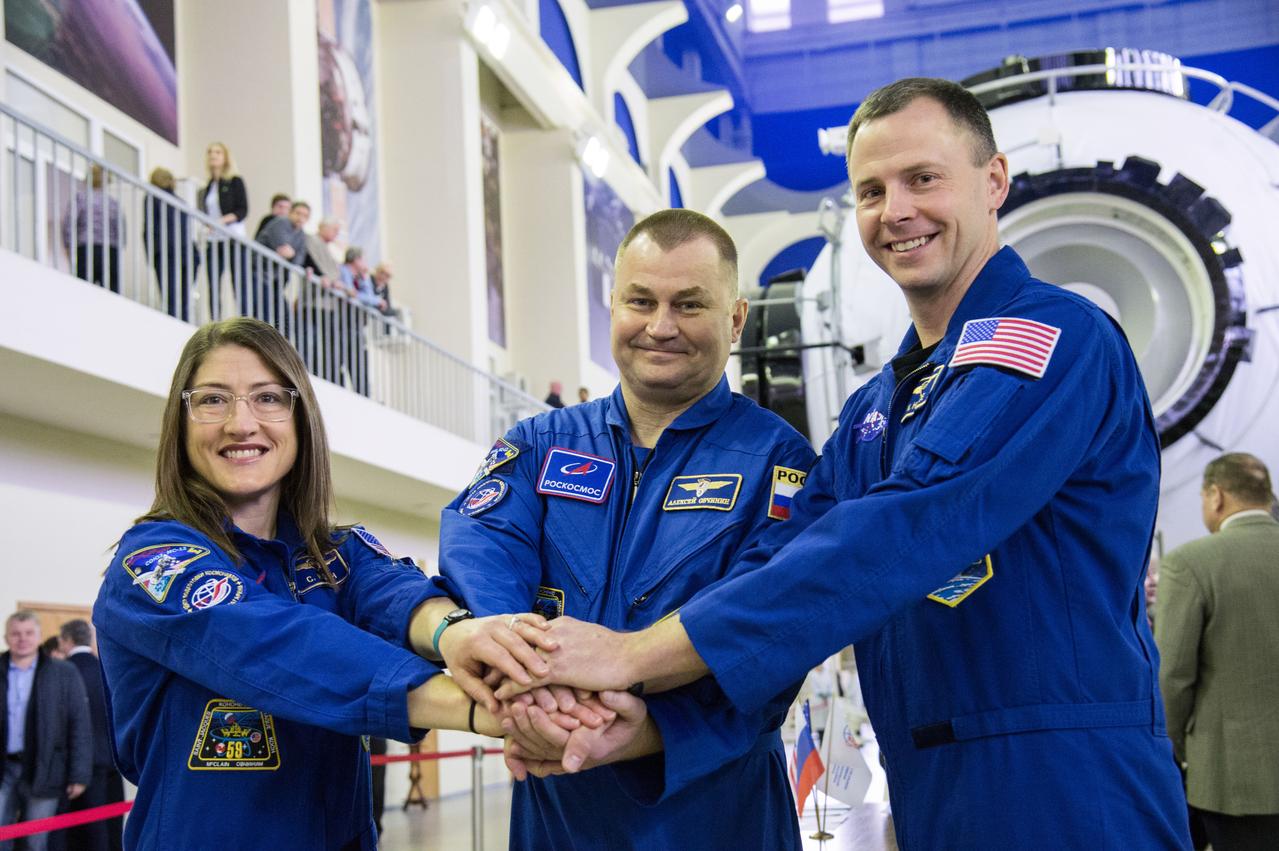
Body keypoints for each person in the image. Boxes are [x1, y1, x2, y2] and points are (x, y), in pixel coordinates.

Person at [497, 78, 1192, 849]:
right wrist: (647, 721)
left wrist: (631, 654)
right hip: (930, 785)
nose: (896, 210)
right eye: (870, 190)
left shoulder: (1050, 339)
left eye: (922, 178)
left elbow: (904, 526)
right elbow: (781, 561)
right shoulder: (875, 410)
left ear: (993, 181)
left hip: (1066, 785)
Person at [419, 209, 817, 849]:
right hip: (557, 810)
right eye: (641, 301)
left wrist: (645, 731)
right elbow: (482, 547)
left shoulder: (780, 463)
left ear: (736, 319)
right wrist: (520, 668)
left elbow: (771, 636)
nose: (660, 326)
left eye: (690, 304)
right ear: (613, 306)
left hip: (716, 813)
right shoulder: (540, 444)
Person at [91, 317, 562, 850]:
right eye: (213, 400)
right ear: (182, 422)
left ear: (301, 419)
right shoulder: (153, 562)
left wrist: (458, 633)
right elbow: (277, 644)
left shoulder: (336, 551)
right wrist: (486, 709)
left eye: (268, 398)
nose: (241, 423)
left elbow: (391, 591)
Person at [1156, 453, 1279, 850]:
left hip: (1233, 781)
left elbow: (1173, 676)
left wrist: (1171, 751)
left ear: (1216, 495)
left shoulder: (1190, 564)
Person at [1, 612, 92, 851]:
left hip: (46, 769)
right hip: (4, 770)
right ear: (6, 637)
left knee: (36, 841)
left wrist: (79, 774)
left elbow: (79, 723)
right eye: (16, 634)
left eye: (29, 633)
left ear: (39, 636)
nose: (22, 639)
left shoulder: (63, 673)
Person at [58, 620, 123, 851]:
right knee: (111, 826)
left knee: (85, 831)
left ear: (66, 640)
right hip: (114, 758)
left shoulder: (62, 673)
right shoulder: (108, 670)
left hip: (80, 763)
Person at [200, 142, 249, 322]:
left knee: (239, 283)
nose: (213, 155)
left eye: (218, 152)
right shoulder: (208, 186)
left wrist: (221, 221)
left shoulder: (235, 181)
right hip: (214, 240)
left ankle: (244, 323)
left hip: (233, 238)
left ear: (226, 157)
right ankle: (215, 322)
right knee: (213, 283)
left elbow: (242, 210)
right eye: (210, 152)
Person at [145, 167, 200, 323]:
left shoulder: (152, 198)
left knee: (171, 301)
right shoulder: (181, 203)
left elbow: (150, 229)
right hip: (187, 255)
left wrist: (153, 255)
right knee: (184, 301)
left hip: (167, 255)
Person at [61, 165, 124, 294]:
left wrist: (68, 246)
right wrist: (118, 247)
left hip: (86, 249)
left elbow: (68, 223)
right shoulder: (113, 203)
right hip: (110, 251)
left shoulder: (81, 198)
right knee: (111, 295)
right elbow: (121, 230)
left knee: (83, 292)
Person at [253, 201, 311, 332]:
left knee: (285, 318)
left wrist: (291, 255)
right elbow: (283, 248)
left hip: (272, 279)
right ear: (290, 213)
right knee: (262, 313)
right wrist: (291, 254)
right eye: (298, 213)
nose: (301, 218)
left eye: (305, 216)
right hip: (257, 271)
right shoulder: (281, 222)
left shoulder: (302, 234)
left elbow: (298, 259)